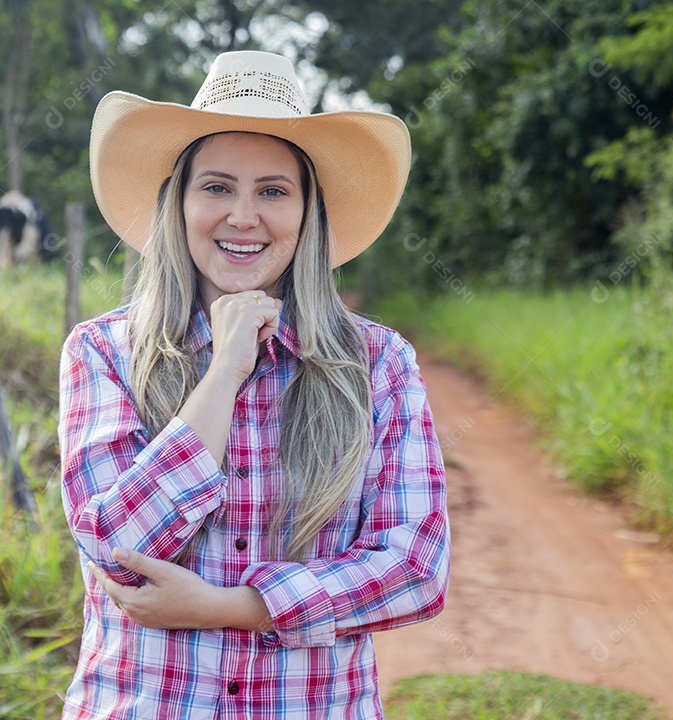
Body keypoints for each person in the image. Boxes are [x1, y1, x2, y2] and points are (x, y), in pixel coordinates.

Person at [58, 50, 449, 719]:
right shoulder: (104, 351)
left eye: (273, 190)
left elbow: (414, 567)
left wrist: (230, 607)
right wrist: (227, 365)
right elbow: (118, 550)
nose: (244, 216)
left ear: (307, 213)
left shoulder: (378, 364)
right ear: (177, 204)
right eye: (216, 187)